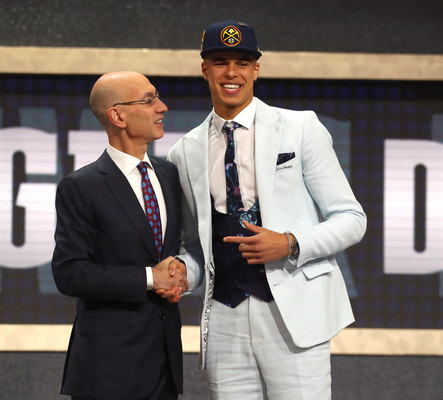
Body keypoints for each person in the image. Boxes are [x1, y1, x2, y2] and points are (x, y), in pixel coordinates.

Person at [167, 20, 367, 399]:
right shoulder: (185, 151)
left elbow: (352, 219)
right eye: (220, 61)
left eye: (242, 62)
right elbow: (196, 246)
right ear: (204, 69)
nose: (231, 72)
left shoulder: (299, 127)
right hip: (224, 318)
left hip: (292, 314)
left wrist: (290, 242)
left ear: (256, 69)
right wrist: (181, 273)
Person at [52, 71, 188, 400]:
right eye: (149, 99)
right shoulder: (81, 186)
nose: (162, 107)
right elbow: (69, 273)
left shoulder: (169, 174)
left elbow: (170, 248)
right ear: (118, 115)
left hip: (164, 364)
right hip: (107, 369)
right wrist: (149, 278)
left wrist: (179, 268)